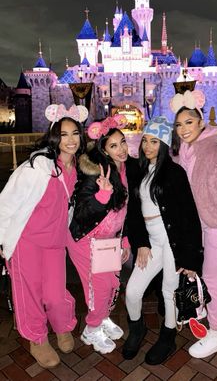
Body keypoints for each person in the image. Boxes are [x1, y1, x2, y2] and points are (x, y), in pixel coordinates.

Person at [0, 103, 88, 369]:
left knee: (54, 294)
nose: (70, 140)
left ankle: (63, 326)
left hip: (54, 243)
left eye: (75, 134)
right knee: (29, 294)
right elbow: (6, 203)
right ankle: (37, 338)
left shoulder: (79, 169)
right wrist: (3, 240)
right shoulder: (37, 167)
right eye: (64, 134)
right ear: (53, 137)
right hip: (27, 242)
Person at [122, 116, 203, 365]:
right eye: (145, 140)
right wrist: (141, 243)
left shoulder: (174, 173)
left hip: (172, 242)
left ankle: (168, 337)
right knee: (133, 291)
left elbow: (190, 218)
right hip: (152, 243)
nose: (147, 146)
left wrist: (191, 258)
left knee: (169, 291)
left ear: (165, 144)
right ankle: (137, 329)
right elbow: (134, 213)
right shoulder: (139, 170)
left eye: (154, 141)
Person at [170, 89, 217, 358]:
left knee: (213, 280)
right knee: (202, 276)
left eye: (189, 122)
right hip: (201, 226)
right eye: (178, 124)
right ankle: (206, 313)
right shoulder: (188, 151)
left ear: (200, 122)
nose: (183, 129)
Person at [68, 114, 133, 354]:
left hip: (108, 240)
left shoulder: (124, 168)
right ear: (104, 150)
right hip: (85, 238)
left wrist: (124, 239)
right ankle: (91, 329)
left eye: (122, 142)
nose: (121, 149)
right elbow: (83, 213)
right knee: (99, 286)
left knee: (112, 282)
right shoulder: (93, 172)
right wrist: (102, 195)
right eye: (114, 146)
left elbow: (124, 211)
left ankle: (103, 317)